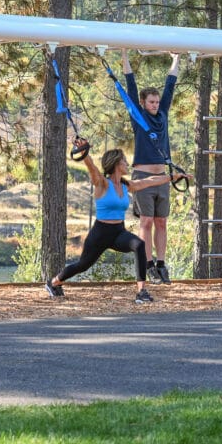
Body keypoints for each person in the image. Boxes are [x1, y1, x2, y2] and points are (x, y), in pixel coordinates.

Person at [45, 139, 192, 304]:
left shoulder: (125, 185)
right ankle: (54, 283)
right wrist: (84, 152)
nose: (127, 163)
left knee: (139, 245)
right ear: (115, 163)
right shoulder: (102, 184)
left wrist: (173, 177)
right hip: (100, 234)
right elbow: (92, 168)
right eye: (124, 161)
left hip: (118, 233)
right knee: (82, 265)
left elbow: (149, 181)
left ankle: (141, 291)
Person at [122, 48, 180, 284]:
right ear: (143, 103)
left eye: (156, 102)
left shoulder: (163, 113)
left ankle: (161, 264)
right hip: (143, 175)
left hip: (162, 177)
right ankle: (147, 265)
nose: (155, 105)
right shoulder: (138, 116)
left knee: (161, 222)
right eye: (151, 102)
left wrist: (176, 59)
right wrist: (125, 57)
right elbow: (130, 87)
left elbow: (170, 87)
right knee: (145, 221)